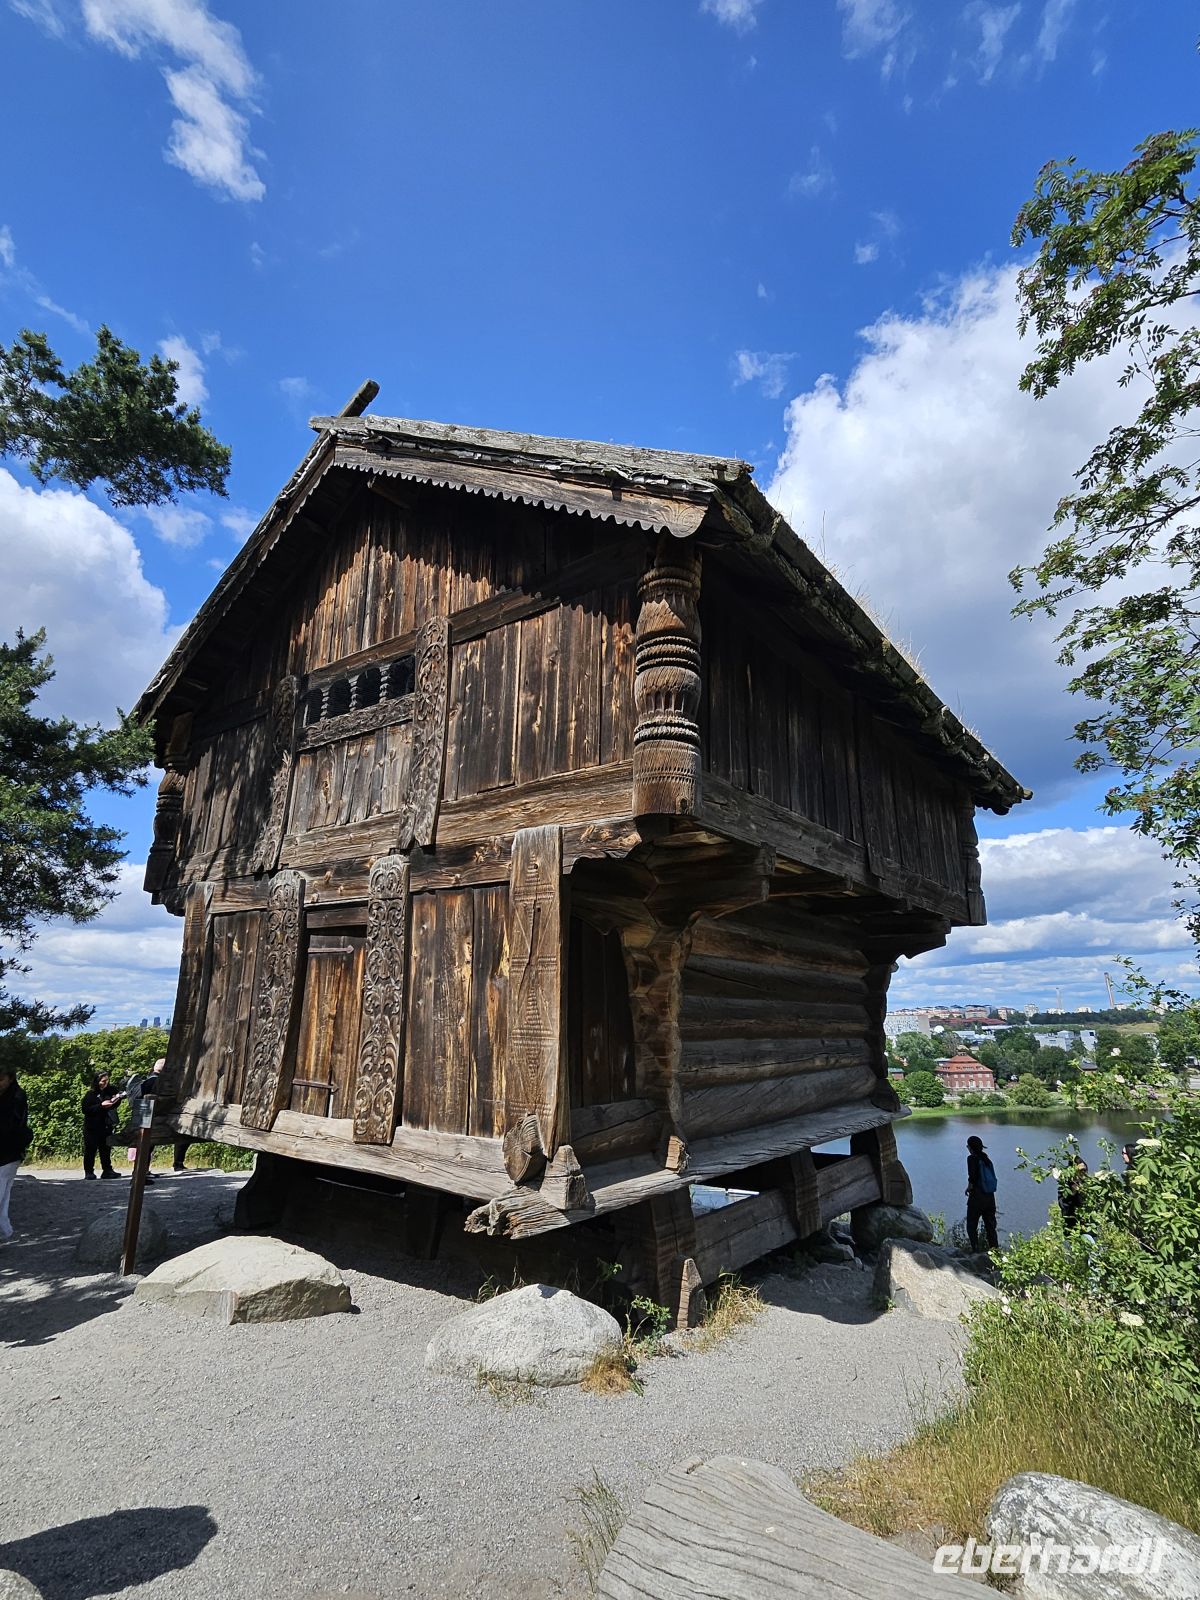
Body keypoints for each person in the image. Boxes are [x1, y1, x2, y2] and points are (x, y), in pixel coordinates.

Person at [0, 1065, 32, 1242]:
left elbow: (12, 1125)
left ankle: (4, 1230)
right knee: (2, 1195)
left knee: (2, 1192)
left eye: (1, 1079)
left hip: (9, 1152)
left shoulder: (16, 1097)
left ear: (10, 1078)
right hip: (6, 1151)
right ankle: (5, 1230)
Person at [82, 1071, 124, 1179]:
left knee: (106, 1149)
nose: (105, 1083)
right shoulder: (90, 1094)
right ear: (97, 1081)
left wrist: (117, 1099)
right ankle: (89, 1172)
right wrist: (101, 1106)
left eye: (107, 1081)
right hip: (92, 1127)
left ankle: (107, 1170)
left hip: (106, 1125)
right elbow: (86, 1109)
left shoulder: (109, 1091)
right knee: (91, 1150)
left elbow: (115, 1102)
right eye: (103, 1081)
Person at [965, 1134, 999, 1251]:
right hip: (990, 1197)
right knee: (990, 1226)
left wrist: (969, 1188)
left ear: (970, 1147)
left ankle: (975, 1250)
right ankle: (995, 1251)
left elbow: (972, 1177)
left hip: (977, 1197)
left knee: (971, 1224)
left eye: (967, 1146)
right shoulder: (986, 1159)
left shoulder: (972, 1159)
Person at [1058, 1154, 1089, 1231]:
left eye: (1085, 1170)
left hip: (1087, 1227)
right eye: (1081, 1171)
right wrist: (1073, 1192)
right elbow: (1065, 1208)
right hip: (1072, 1228)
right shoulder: (1065, 1187)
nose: (1084, 1173)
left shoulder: (1087, 1184)